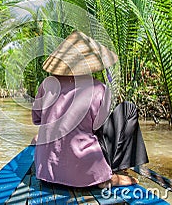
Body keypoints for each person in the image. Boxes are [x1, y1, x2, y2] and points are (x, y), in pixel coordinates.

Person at [31, 30, 148, 188]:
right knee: (128, 109)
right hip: (84, 173)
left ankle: (102, 171)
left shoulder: (47, 84)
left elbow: (37, 119)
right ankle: (109, 175)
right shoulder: (99, 88)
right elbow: (98, 127)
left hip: (46, 172)